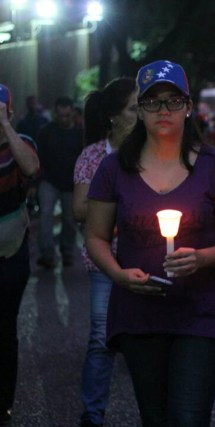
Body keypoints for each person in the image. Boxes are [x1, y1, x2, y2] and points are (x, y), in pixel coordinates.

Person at [84, 60, 215, 426]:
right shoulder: (114, 169)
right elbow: (95, 236)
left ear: (188, 107)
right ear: (140, 110)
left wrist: (202, 258)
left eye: (173, 101)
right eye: (153, 101)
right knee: (155, 416)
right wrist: (117, 274)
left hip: (204, 313)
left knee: (188, 417)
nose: (164, 110)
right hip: (140, 314)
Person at [73, 77, 137, 427]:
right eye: (133, 108)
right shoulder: (94, 156)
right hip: (105, 260)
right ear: (113, 117)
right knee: (101, 338)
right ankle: (93, 413)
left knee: (150, 339)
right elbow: (80, 209)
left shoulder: (152, 151)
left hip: (148, 257)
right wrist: (120, 213)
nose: (141, 114)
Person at [0, 84, 40, 426]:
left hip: (10, 253)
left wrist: (7, 128)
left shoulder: (22, 143)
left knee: (4, 329)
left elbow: (30, 168)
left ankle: (3, 404)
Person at [36, 96, 84, 268]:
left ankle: (67, 251)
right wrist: (36, 182)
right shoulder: (46, 132)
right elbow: (37, 157)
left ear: (72, 114)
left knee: (70, 220)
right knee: (46, 216)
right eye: (61, 116)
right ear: (56, 114)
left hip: (71, 184)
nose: (64, 119)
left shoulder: (80, 134)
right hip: (49, 180)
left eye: (67, 115)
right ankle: (48, 254)